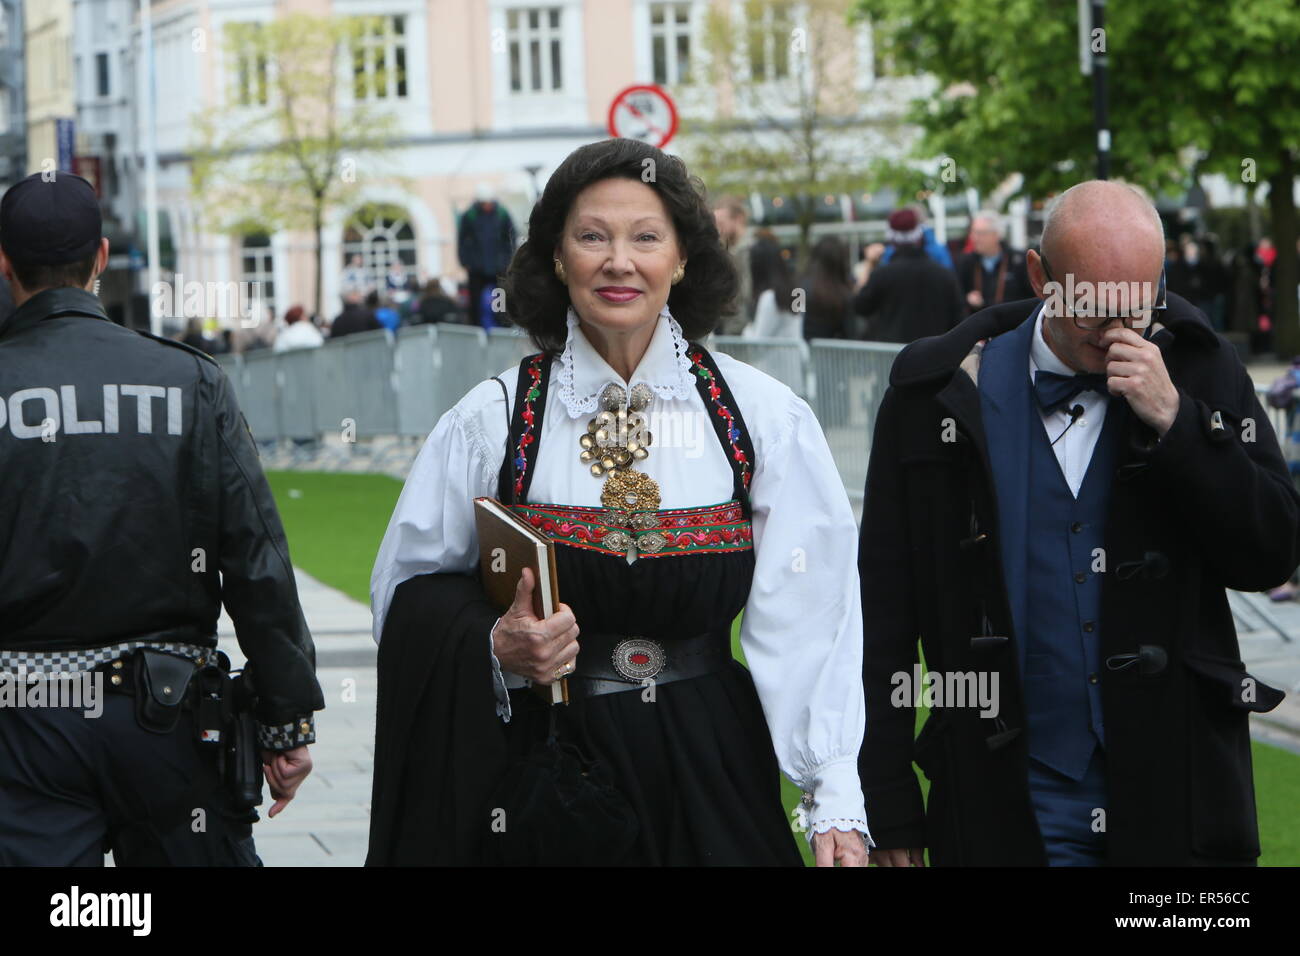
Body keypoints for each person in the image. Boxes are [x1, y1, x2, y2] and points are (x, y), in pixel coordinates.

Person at [367, 137, 870, 867]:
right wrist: (494, 644)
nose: (619, 262)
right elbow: (404, 591)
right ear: (557, 258)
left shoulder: (761, 416)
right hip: (546, 777)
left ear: (683, 258)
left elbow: (811, 611)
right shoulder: (492, 419)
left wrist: (833, 793)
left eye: (646, 238)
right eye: (592, 237)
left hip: (711, 766)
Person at [858, 180, 1297, 867]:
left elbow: (1270, 553)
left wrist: (1179, 424)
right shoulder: (936, 391)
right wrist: (888, 806)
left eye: (1138, 304)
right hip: (1003, 789)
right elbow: (885, 610)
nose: (1118, 329)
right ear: (1040, 277)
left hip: (1175, 786)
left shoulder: (1201, 367)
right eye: (1092, 305)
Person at [0, 172, 323, 865]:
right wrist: (286, 716)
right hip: (168, 721)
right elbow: (256, 557)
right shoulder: (189, 379)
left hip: (22, 729)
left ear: (3, 262)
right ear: (101, 256)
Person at [853, 208, 965, 344]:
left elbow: (860, 306)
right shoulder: (944, 274)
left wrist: (868, 264)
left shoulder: (882, 274)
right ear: (919, 237)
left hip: (894, 353)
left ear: (892, 239)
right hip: (935, 351)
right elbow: (959, 317)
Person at [458, 183, 517, 328]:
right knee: (475, 300)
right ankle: (476, 326)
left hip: (499, 267)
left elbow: (510, 238)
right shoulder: (470, 215)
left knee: (500, 297)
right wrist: (465, 261)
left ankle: (502, 325)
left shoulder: (502, 214)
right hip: (477, 267)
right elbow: (462, 240)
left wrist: (508, 260)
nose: (487, 206)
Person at [957, 212, 1032, 315]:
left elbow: (1031, 298)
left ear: (997, 235)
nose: (974, 238)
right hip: (980, 321)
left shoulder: (1018, 261)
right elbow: (957, 297)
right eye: (973, 232)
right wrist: (967, 299)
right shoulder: (966, 262)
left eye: (981, 233)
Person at [743, 234, 802, 339]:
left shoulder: (769, 298)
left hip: (774, 350)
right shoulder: (798, 292)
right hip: (794, 350)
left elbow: (758, 341)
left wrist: (747, 330)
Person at [712, 195, 755, 334]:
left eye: (721, 223)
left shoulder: (749, 250)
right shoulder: (728, 251)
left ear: (738, 219)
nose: (718, 229)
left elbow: (746, 292)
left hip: (743, 324)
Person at [799, 235, 855, 340]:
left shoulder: (799, 289)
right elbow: (850, 334)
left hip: (801, 348)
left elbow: (795, 322)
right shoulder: (843, 294)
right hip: (830, 349)